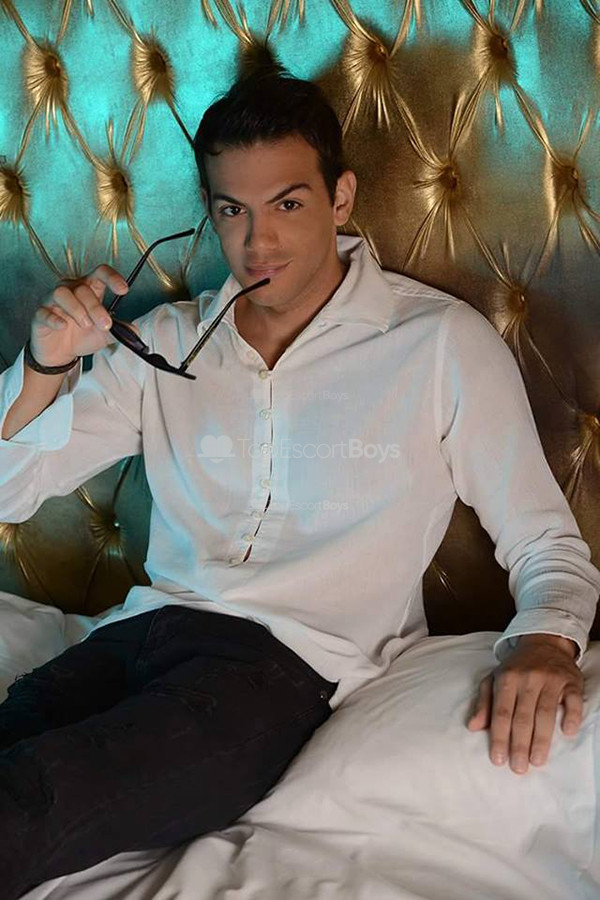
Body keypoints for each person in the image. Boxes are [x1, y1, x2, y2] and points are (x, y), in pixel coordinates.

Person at [0, 64, 598, 897]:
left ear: (341, 197)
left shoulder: (438, 344)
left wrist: (545, 639)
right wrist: (43, 365)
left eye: (287, 204)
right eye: (232, 211)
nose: (258, 243)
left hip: (277, 671)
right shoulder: (165, 341)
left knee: (27, 806)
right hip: (133, 635)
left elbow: (545, 543)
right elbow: (11, 493)